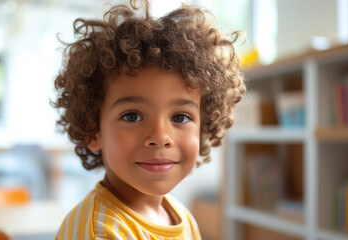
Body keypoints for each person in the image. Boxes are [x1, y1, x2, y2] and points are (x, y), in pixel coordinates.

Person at [52, 0, 245, 239]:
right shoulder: (101, 231)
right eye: (132, 116)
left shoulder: (182, 218)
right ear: (92, 130)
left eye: (180, 117)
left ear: (203, 126)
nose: (160, 137)